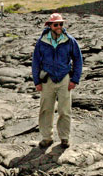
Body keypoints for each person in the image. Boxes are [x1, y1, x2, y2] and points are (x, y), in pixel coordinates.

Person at [31, 13, 83, 149]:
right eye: (56, 24)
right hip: (47, 79)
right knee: (45, 110)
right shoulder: (41, 42)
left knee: (65, 110)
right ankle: (46, 138)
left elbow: (78, 60)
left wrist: (75, 80)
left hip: (64, 79)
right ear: (49, 26)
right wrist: (37, 81)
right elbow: (35, 62)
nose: (59, 26)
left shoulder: (70, 40)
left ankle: (64, 138)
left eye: (61, 24)